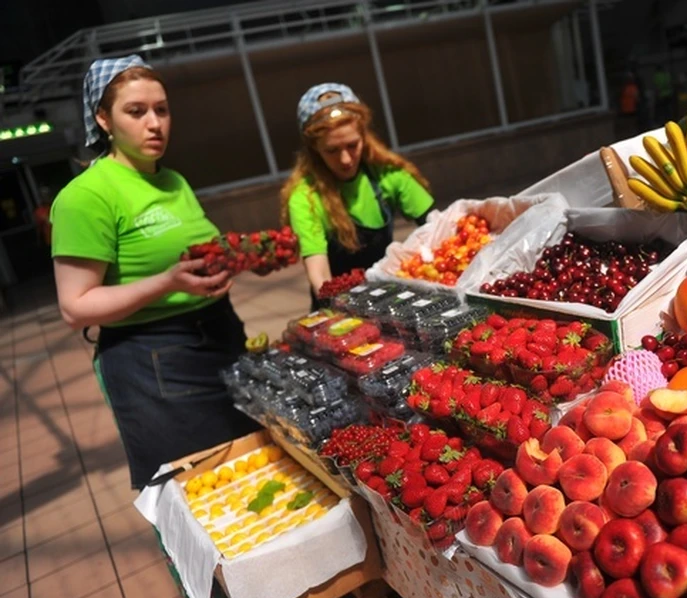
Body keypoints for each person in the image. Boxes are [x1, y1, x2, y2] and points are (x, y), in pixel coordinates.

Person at [50, 55, 260, 490]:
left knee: (249, 472)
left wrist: (231, 265)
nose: (154, 123)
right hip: (153, 359)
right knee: (198, 491)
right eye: (136, 111)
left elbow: (196, 256)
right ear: (103, 119)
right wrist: (168, 282)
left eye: (161, 109)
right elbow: (75, 307)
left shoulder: (173, 182)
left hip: (220, 336)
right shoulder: (87, 196)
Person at [281, 83, 434, 310]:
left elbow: (436, 225)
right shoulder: (305, 197)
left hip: (389, 298)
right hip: (338, 306)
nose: (345, 159)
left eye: (352, 145)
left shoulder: (386, 174)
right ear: (314, 149)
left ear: (364, 135)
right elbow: (319, 274)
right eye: (332, 150)